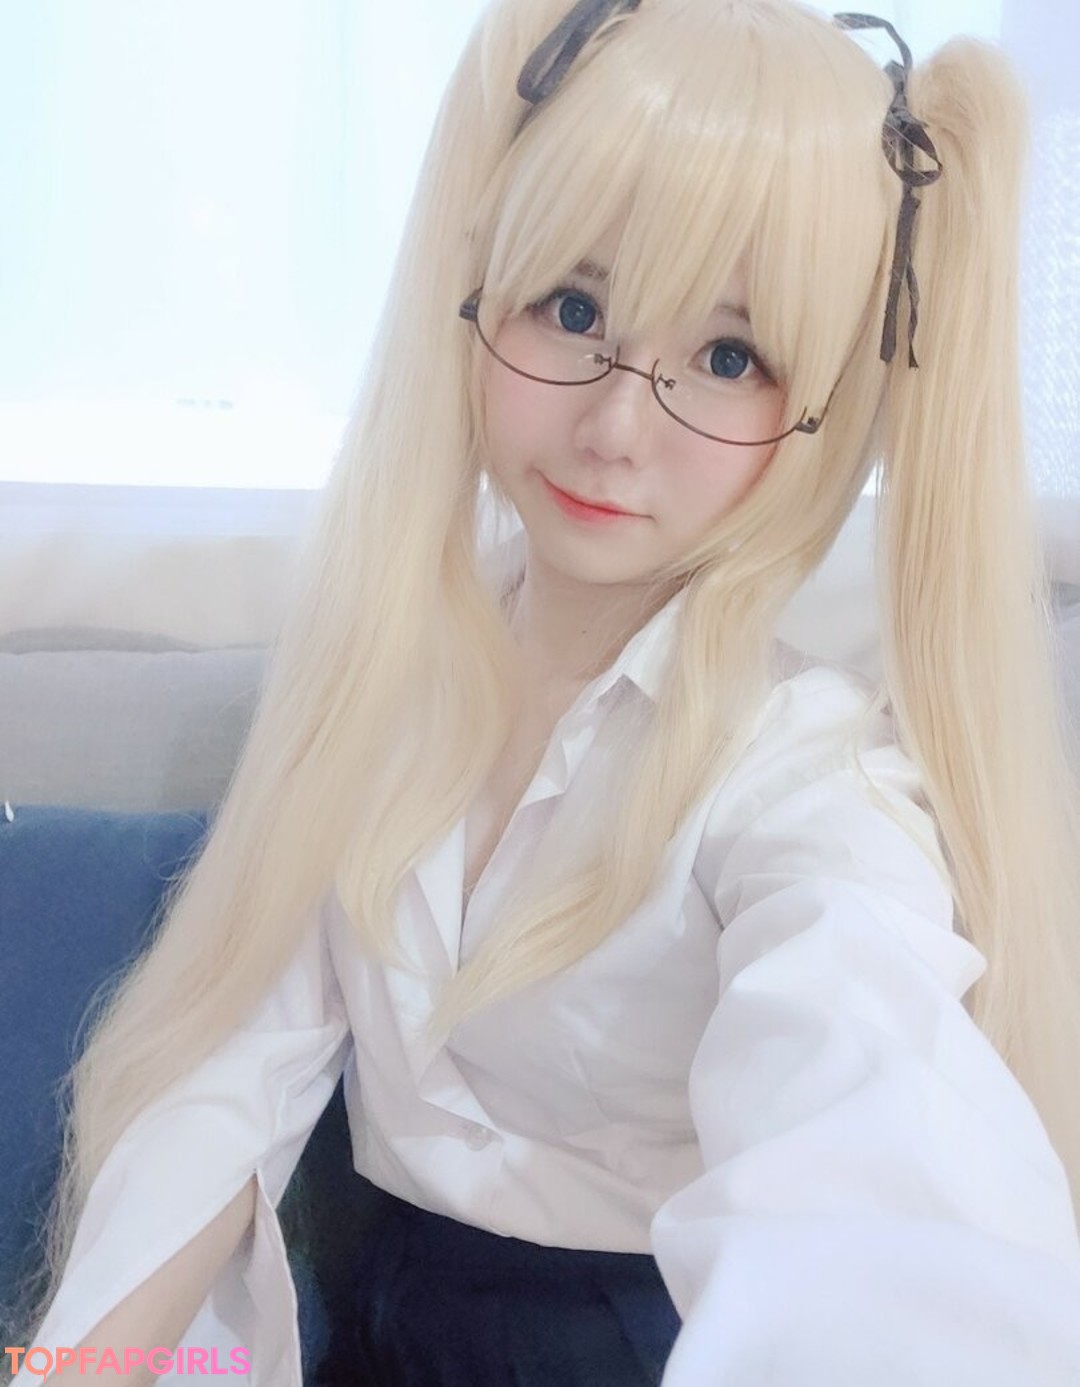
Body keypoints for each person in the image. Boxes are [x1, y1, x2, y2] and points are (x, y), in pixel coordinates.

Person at [10, 0, 1080, 1382]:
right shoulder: (390, 677)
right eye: (574, 310)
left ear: (829, 407)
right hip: (375, 1329)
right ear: (478, 294)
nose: (614, 424)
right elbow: (235, 1065)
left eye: (730, 357)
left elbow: (869, 1148)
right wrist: (82, 1365)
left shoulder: (808, 782)